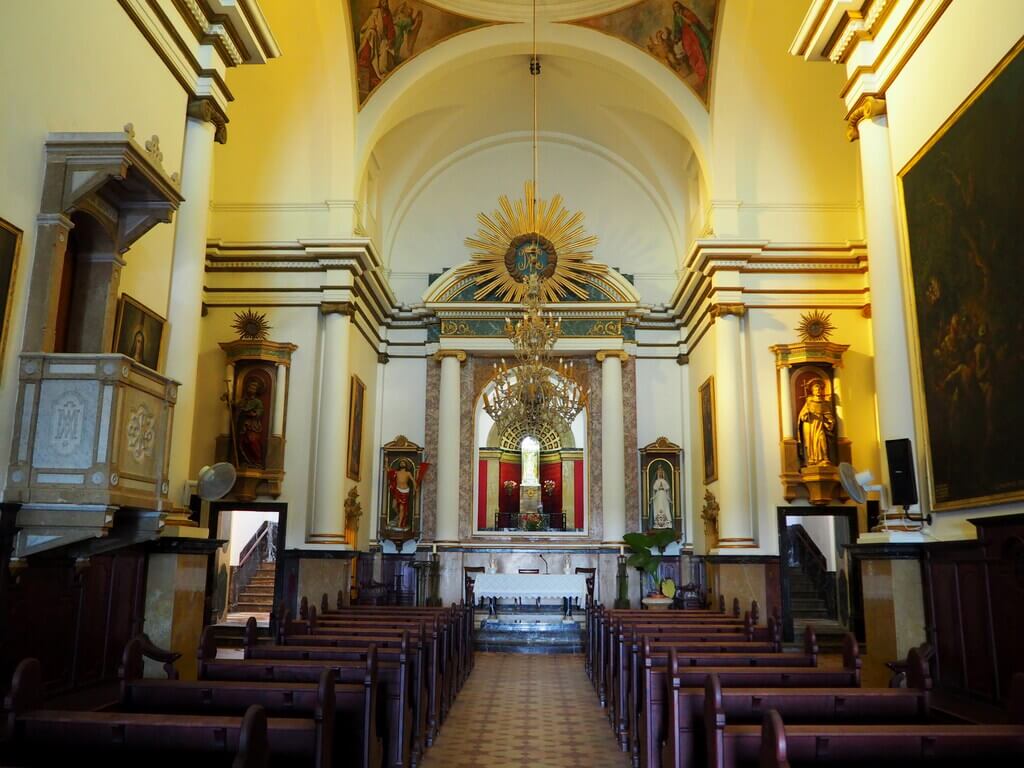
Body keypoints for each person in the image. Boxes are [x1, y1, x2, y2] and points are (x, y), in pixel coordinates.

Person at [798, 378, 836, 466]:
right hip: (810, 425)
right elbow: (802, 416)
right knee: (810, 441)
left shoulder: (824, 403)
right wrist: (806, 414)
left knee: (822, 439)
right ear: (812, 391)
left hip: (820, 424)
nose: (818, 391)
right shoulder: (808, 402)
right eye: (816, 389)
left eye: (819, 389)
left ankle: (825, 458)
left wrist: (830, 421)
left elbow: (828, 416)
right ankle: (812, 459)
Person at [235, 375, 266, 467]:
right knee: (242, 442)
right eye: (250, 386)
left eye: (254, 387)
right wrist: (228, 399)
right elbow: (236, 405)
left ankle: (256, 461)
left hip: (252, 425)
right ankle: (246, 461)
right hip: (242, 424)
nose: (251, 388)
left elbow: (261, 410)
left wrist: (255, 413)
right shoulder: (243, 400)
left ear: (257, 390)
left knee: (253, 441)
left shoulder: (257, 401)